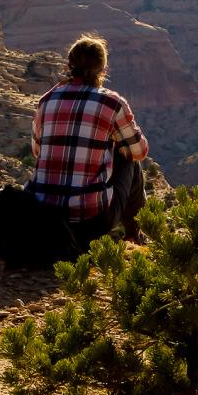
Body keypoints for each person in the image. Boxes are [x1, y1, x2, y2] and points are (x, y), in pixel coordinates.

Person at [27, 33, 149, 245]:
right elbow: (139, 151)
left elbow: (37, 151)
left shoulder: (46, 100)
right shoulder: (112, 103)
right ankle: (134, 234)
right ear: (103, 69)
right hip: (90, 219)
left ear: (68, 65)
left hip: (42, 213)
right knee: (129, 158)